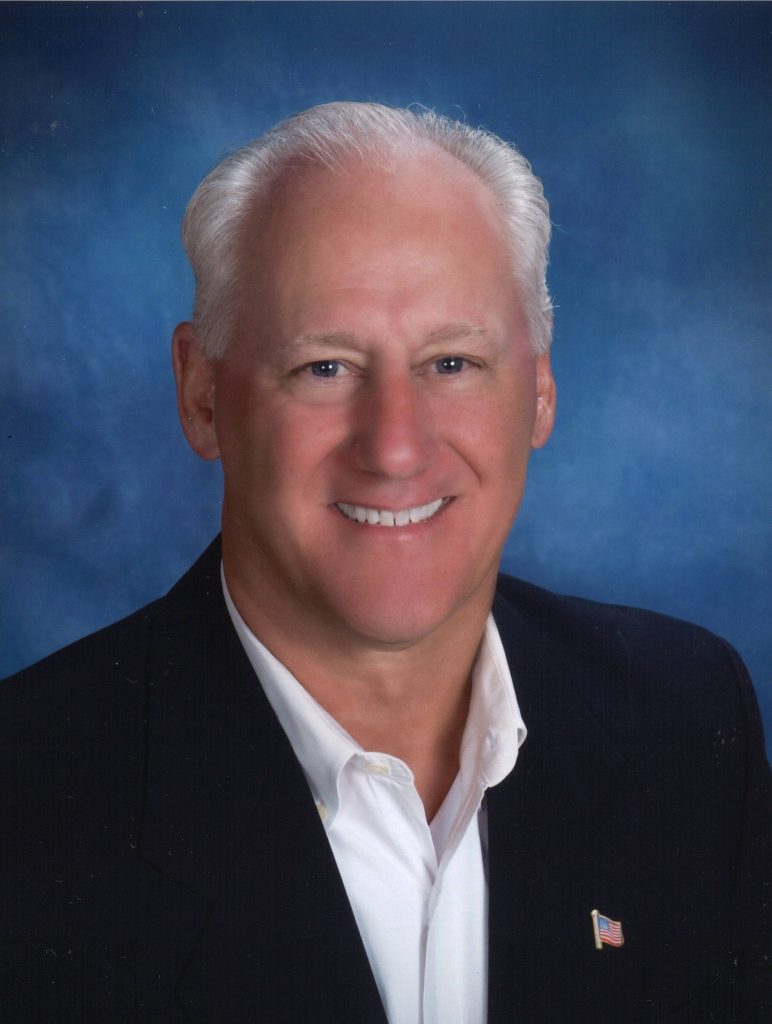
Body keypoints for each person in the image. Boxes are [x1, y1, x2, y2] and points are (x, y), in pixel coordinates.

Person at [1, 102, 768, 1024]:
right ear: (202, 394)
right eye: (324, 368)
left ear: (539, 391)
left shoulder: (684, 721)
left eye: (452, 363)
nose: (395, 447)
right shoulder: (31, 797)